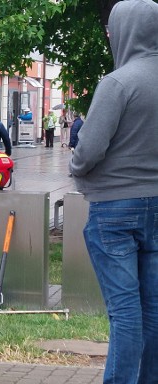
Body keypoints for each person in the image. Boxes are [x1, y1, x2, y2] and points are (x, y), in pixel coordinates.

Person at [69, 0, 158, 381]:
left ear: (125, 31)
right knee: (153, 310)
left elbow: (88, 150)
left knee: (125, 314)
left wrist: (75, 167)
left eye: (111, 29)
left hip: (115, 209)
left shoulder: (118, 82)